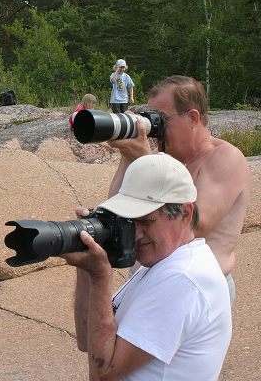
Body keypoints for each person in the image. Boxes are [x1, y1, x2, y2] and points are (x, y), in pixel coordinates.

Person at [67, 153, 232, 380]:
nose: (136, 233)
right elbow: (89, 341)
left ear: (185, 213)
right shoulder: (162, 263)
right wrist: (85, 264)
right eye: (129, 221)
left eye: (145, 221)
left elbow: (103, 373)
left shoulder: (183, 277)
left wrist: (100, 276)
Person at [108, 75, 252, 304]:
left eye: (161, 120)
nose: (155, 129)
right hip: (149, 282)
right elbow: (118, 206)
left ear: (192, 117)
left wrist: (146, 160)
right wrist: (130, 157)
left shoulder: (225, 158)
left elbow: (196, 225)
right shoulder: (160, 160)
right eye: (151, 119)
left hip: (196, 289)